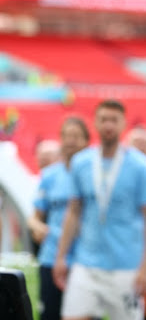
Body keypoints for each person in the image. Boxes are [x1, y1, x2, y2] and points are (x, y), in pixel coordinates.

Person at [53, 99, 146, 320]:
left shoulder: (139, 165)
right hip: (86, 262)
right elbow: (74, 211)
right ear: (95, 123)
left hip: (126, 266)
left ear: (124, 124)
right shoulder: (81, 162)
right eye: (103, 119)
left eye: (114, 120)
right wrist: (61, 256)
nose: (108, 125)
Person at [28, 117, 90, 320]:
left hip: (85, 259)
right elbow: (35, 217)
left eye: (76, 136)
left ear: (86, 141)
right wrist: (38, 227)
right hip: (52, 258)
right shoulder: (50, 176)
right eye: (67, 136)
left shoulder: (94, 177)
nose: (71, 141)